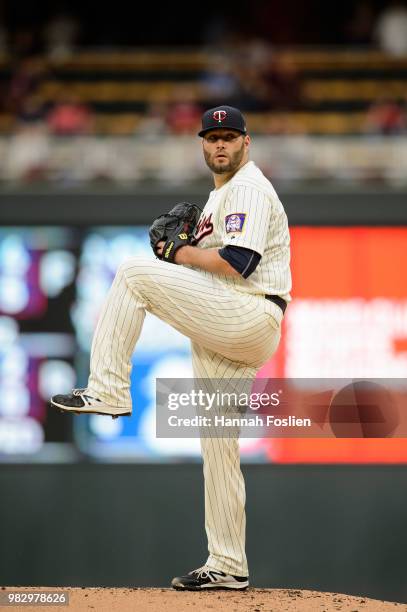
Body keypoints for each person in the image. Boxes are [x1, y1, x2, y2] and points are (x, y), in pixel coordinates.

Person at [50, 105, 292, 590]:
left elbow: (239, 261)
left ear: (247, 143)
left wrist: (176, 252)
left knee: (134, 273)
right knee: (218, 444)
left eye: (229, 136)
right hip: (233, 318)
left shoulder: (246, 186)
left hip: (247, 311)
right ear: (202, 144)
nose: (220, 145)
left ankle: (109, 390)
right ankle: (228, 565)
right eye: (212, 137)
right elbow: (207, 267)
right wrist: (185, 254)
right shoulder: (219, 196)